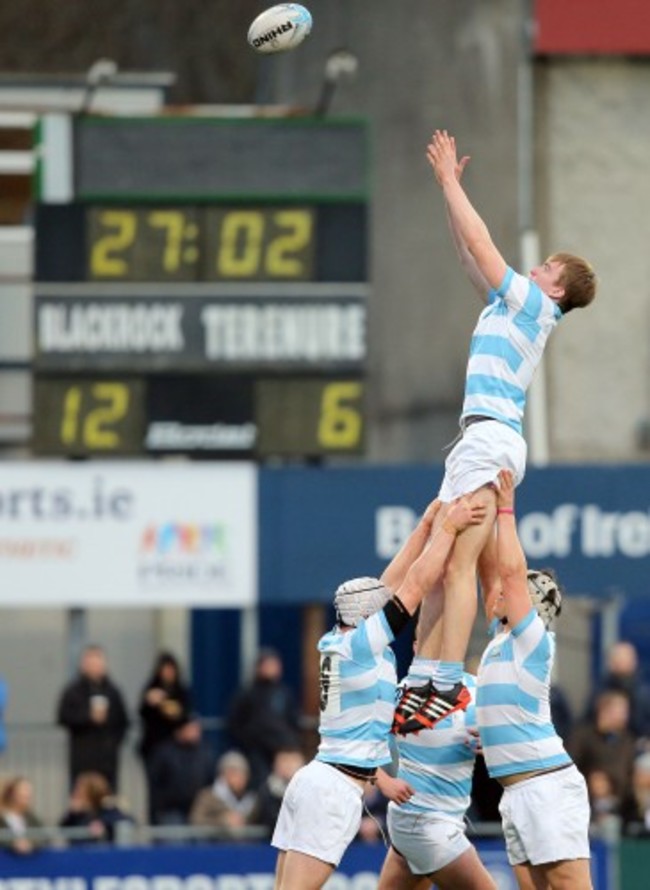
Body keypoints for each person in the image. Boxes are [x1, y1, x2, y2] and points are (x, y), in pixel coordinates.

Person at [393, 129, 597, 735]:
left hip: (491, 441)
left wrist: (453, 183)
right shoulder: (510, 307)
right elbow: (467, 252)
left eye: (544, 268)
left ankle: (445, 682)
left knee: (455, 567)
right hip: (475, 442)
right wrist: (445, 192)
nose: (532, 270)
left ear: (555, 288)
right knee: (441, 562)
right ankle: (424, 677)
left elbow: (483, 248)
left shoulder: (536, 308)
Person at [272, 494, 487, 890]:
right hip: (335, 788)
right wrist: (450, 528)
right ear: (368, 616)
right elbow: (416, 583)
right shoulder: (362, 645)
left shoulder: (337, 640)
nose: (386, 600)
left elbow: (391, 583)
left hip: (316, 777)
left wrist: (424, 529)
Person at [476, 469, 592, 890]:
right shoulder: (500, 638)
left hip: (545, 787)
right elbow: (493, 573)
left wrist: (506, 510)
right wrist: (483, 510)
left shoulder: (533, 641)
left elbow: (508, 573)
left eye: (516, 592)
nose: (501, 595)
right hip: (517, 793)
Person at [56, 645, 130, 792]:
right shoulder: (73, 691)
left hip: (107, 761)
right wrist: (88, 717)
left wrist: (114, 743)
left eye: (98, 662)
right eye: (91, 662)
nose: (95, 666)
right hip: (82, 759)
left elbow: (123, 721)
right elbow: (63, 717)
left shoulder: (113, 691)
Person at [227, 647, 301, 789]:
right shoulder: (247, 693)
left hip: (281, 751)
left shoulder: (284, 693)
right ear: (259, 667)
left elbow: (293, 721)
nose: (273, 668)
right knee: (261, 787)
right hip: (256, 753)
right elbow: (235, 723)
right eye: (269, 664)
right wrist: (249, 742)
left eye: (275, 664)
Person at [137, 651, 193, 822]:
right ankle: (155, 821)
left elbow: (185, 715)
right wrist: (149, 702)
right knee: (154, 789)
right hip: (154, 748)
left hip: (176, 751)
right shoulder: (151, 688)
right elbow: (142, 713)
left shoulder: (181, 691)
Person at [148, 716, 214, 826]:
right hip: (171, 811)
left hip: (200, 809)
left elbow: (211, 780)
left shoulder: (205, 752)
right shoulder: (164, 753)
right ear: (180, 730)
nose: (196, 733)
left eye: (198, 729)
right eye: (192, 728)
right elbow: (155, 784)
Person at [190, 749, 256, 835]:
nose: (241, 779)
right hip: (215, 845)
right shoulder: (208, 796)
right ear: (224, 774)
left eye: (244, 774)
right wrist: (223, 821)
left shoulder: (251, 799)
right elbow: (195, 820)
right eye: (235, 773)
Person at [59, 771, 134, 844]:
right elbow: (62, 830)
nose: (75, 793)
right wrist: (72, 813)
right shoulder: (76, 815)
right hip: (78, 853)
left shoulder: (108, 811)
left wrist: (103, 824)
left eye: (80, 790)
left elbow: (127, 822)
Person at [249, 747, 306, 837]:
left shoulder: (311, 790)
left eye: (293, 761)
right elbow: (269, 819)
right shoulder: (266, 790)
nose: (289, 766)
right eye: (284, 761)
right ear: (275, 765)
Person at [0, 776, 47, 855]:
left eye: (29, 792)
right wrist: (13, 844)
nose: (27, 794)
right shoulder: (2, 817)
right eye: (24, 791)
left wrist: (31, 843)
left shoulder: (31, 817)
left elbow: (43, 835)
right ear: (13, 794)